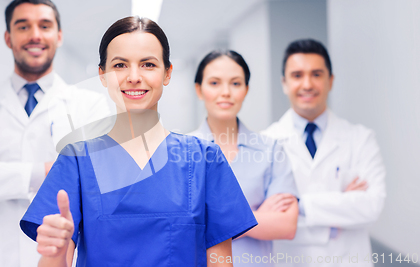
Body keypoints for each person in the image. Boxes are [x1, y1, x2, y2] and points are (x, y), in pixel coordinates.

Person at [19, 16, 258, 267]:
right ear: (102, 75)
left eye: (148, 64)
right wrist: (54, 252)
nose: (134, 76)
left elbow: (221, 262)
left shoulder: (205, 159)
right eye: (120, 65)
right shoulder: (76, 160)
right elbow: (57, 259)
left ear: (167, 73)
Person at [0, 1, 110, 266]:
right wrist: (53, 169)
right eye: (23, 26)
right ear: (8, 38)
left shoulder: (90, 105)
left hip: (61, 256)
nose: (35, 34)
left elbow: (95, 178)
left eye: (44, 26)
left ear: (59, 35)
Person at [262, 39, 386, 266]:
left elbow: (371, 206)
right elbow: (266, 218)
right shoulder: (265, 142)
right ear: (284, 83)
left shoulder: (360, 138)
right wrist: (342, 204)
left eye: (317, 74)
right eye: (297, 75)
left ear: (331, 80)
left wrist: (298, 205)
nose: (307, 84)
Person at [189, 50, 299, 266]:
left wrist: (212, 223)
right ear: (199, 90)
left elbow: (287, 225)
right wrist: (255, 217)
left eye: (236, 83)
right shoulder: (181, 152)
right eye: (214, 83)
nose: (226, 92)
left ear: (246, 90)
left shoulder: (271, 150)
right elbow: (182, 229)